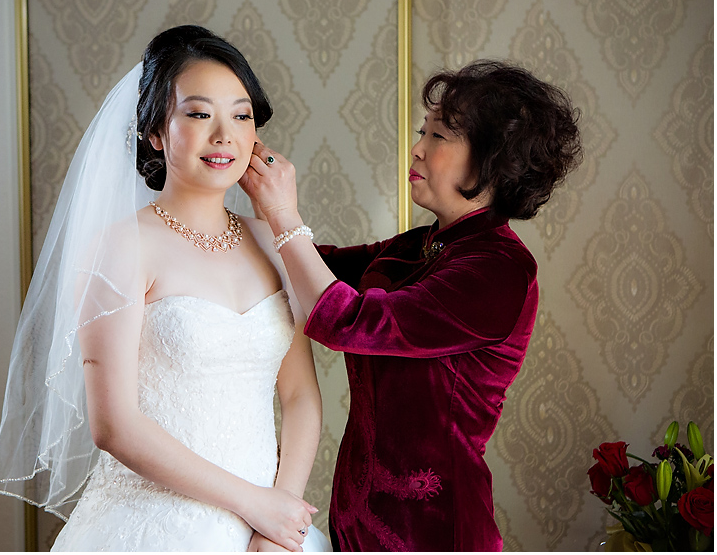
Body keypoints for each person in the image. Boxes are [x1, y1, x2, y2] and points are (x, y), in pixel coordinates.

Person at [0, 25, 331, 552]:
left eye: (241, 115)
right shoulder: (122, 247)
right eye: (198, 114)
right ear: (155, 132)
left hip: (271, 531)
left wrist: (278, 518)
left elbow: (301, 395)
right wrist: (251, 503)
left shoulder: (271, 239)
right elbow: (115, 426)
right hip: (152, 526)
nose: (224, 135)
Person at [240, 60, 583, 551]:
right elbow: (318, 268)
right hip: (358, 522)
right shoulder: (423, 244)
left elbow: (344, 319)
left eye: (439, 136)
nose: (417, 148)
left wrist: (282, 215)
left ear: (492, 161)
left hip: (435, 530)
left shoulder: (500, 270)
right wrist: (241, 218)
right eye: (424, 131)